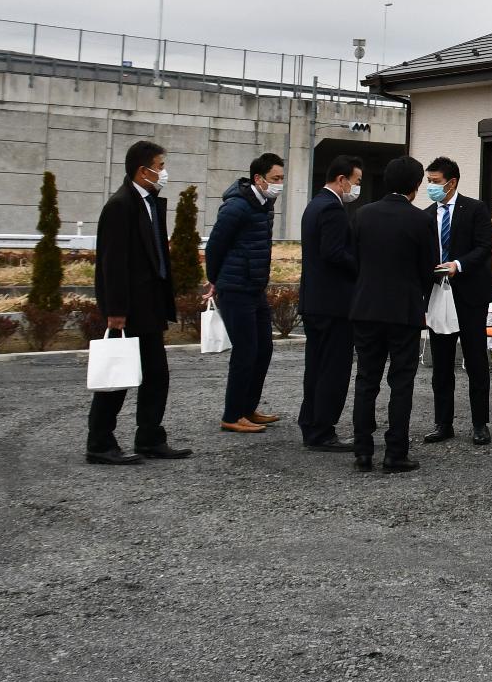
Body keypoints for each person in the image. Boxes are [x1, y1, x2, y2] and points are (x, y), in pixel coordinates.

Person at [85, 140, 192, 465]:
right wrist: (115, 310)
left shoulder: (150, 202)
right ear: (142, 171)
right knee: (117, 376)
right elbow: (112, 263)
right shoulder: (121, 205)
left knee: (156, 375)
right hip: (129, 309)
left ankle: (149, 437)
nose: (163, 172)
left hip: (150, 305)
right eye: (160, 167)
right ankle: (100, 443)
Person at [348, 155, 440, 473]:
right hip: (404, 308)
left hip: (366, 307)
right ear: (416, 186)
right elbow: (428, 267)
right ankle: (395, 452)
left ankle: (362, 450)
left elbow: (355, 261)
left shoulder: (362, 215)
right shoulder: (421, 220)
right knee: (401, 382)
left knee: (366, 380)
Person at [204, 152, 285, 434]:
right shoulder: (237, 207)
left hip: (254, 287)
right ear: (258, 179)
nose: (279, 184)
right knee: (246, 350)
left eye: (282, 178)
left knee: (263, 348)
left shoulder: (265, 204)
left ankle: (248, 408)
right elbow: (215, 246)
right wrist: (214, 279)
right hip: (235, 287)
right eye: (275, 179)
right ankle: (232, 414)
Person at [421, 157, 492, 447]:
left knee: (475, 360)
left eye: (436, 182)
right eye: (429, 181)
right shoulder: (427, 215)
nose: (431, 187)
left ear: (451, 183)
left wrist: (458, 265)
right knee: (441, 362)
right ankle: (443, 422)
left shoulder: (474, 209)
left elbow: (483, 248)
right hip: (438, 293)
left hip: (469, 294)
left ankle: (480, 423)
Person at [297, 155, 363, 450]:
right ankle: (323, 429)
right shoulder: (333, 209)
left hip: (314, 300)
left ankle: (311, 423)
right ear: (341, 179)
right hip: (334, 303)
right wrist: (362, 267)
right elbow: (334, 253)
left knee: (316, 366)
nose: (356, 187)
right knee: (333, 369)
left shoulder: (314, 206)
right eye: (356, 181)